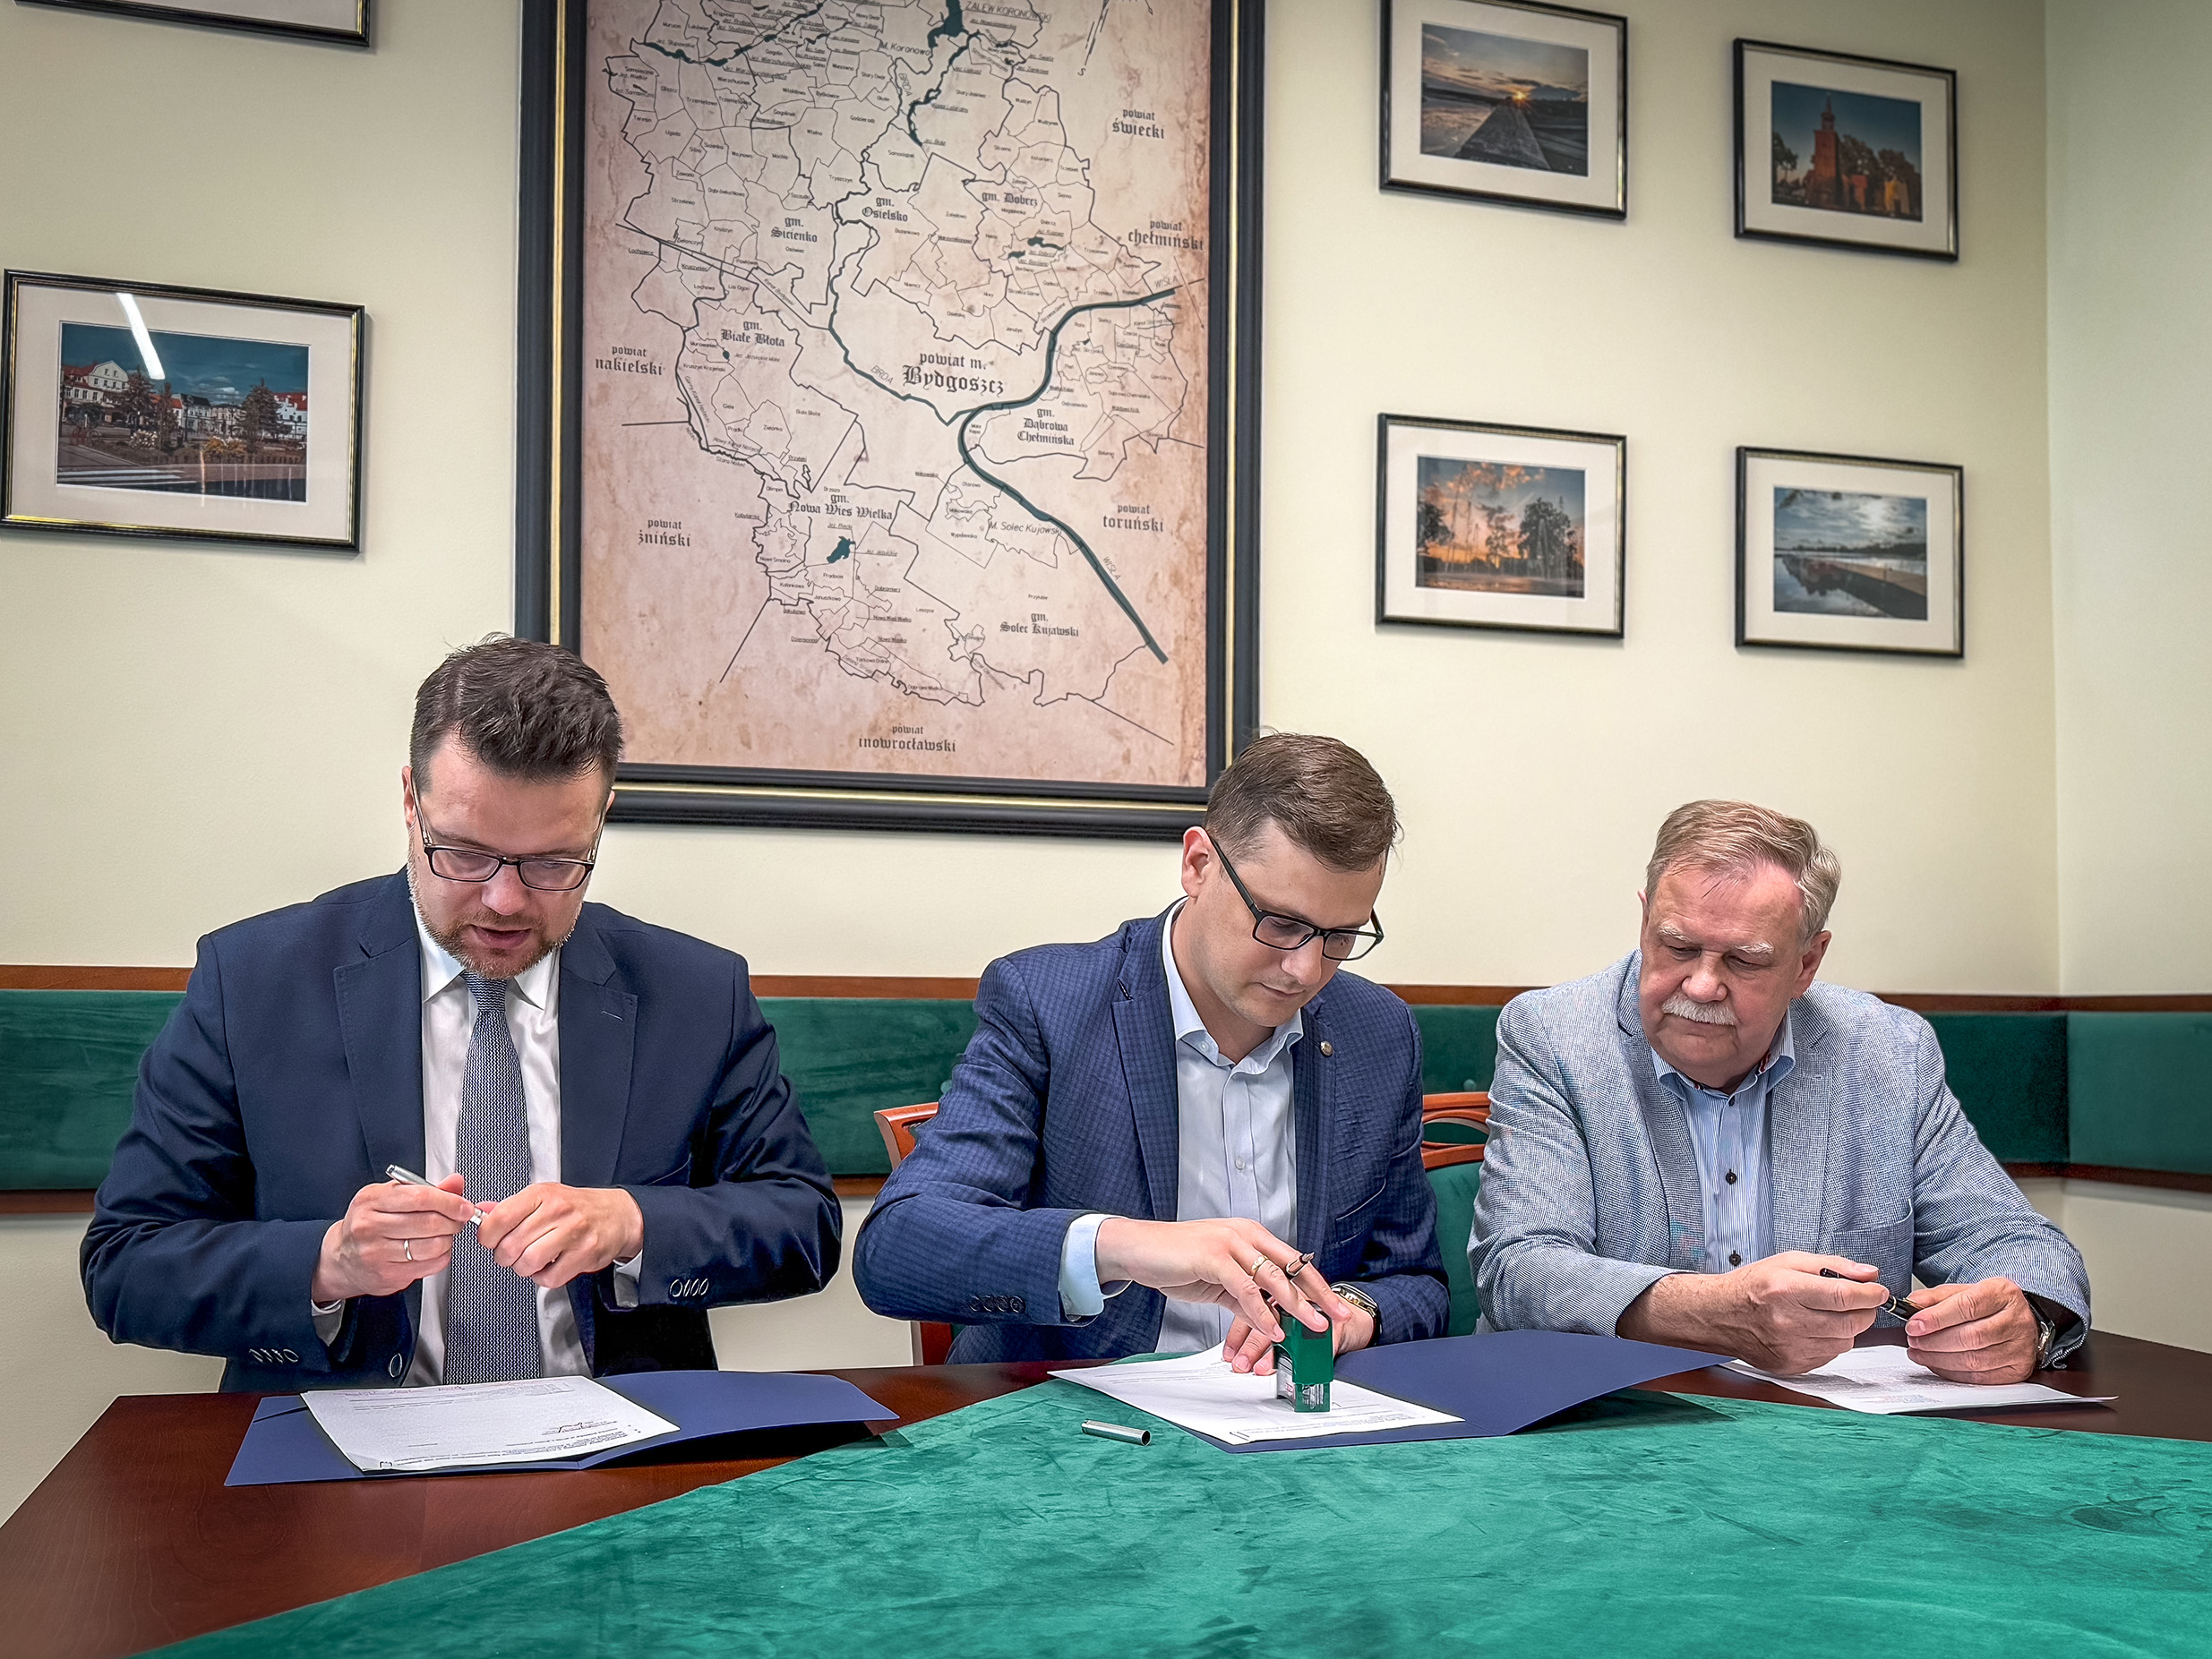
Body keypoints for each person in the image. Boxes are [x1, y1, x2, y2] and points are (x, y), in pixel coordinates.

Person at [83, 637, 841, 1390]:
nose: (505, 900)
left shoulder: (697, 993)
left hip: (621, 1441)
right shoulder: (253, 982)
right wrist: (328, 1262)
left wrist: (633, 1224)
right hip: (341, 1447)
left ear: (601, 818)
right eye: (465, 854)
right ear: (410, 803)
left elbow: (804, 1224)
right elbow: (124, 1263)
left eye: (553, 862)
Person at [854, 733, 1447, 1369]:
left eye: (1341, 936)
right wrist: (1122, 1246)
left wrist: (1347, 1312)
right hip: (1074, 1412)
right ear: (1198, 864)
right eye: (1280, 923)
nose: (1305, 969)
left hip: (1287, 1411)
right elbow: (897, 1250)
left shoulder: (1378, 1032)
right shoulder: (1048, 1003)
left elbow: (1416, 1280)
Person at [1472, 799, 2090, 1382]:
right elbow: (1521, 1270)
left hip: (1834, 1435)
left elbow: (2020, 1245)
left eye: (1744, 960)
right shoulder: (1554, 1036)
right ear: (1644, 921)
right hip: (1616, 1419)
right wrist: (1715, 1309)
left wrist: (2028, 1320)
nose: (1702, 985)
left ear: (1807, 963)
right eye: (1678, 946)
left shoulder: (1886, 1052)